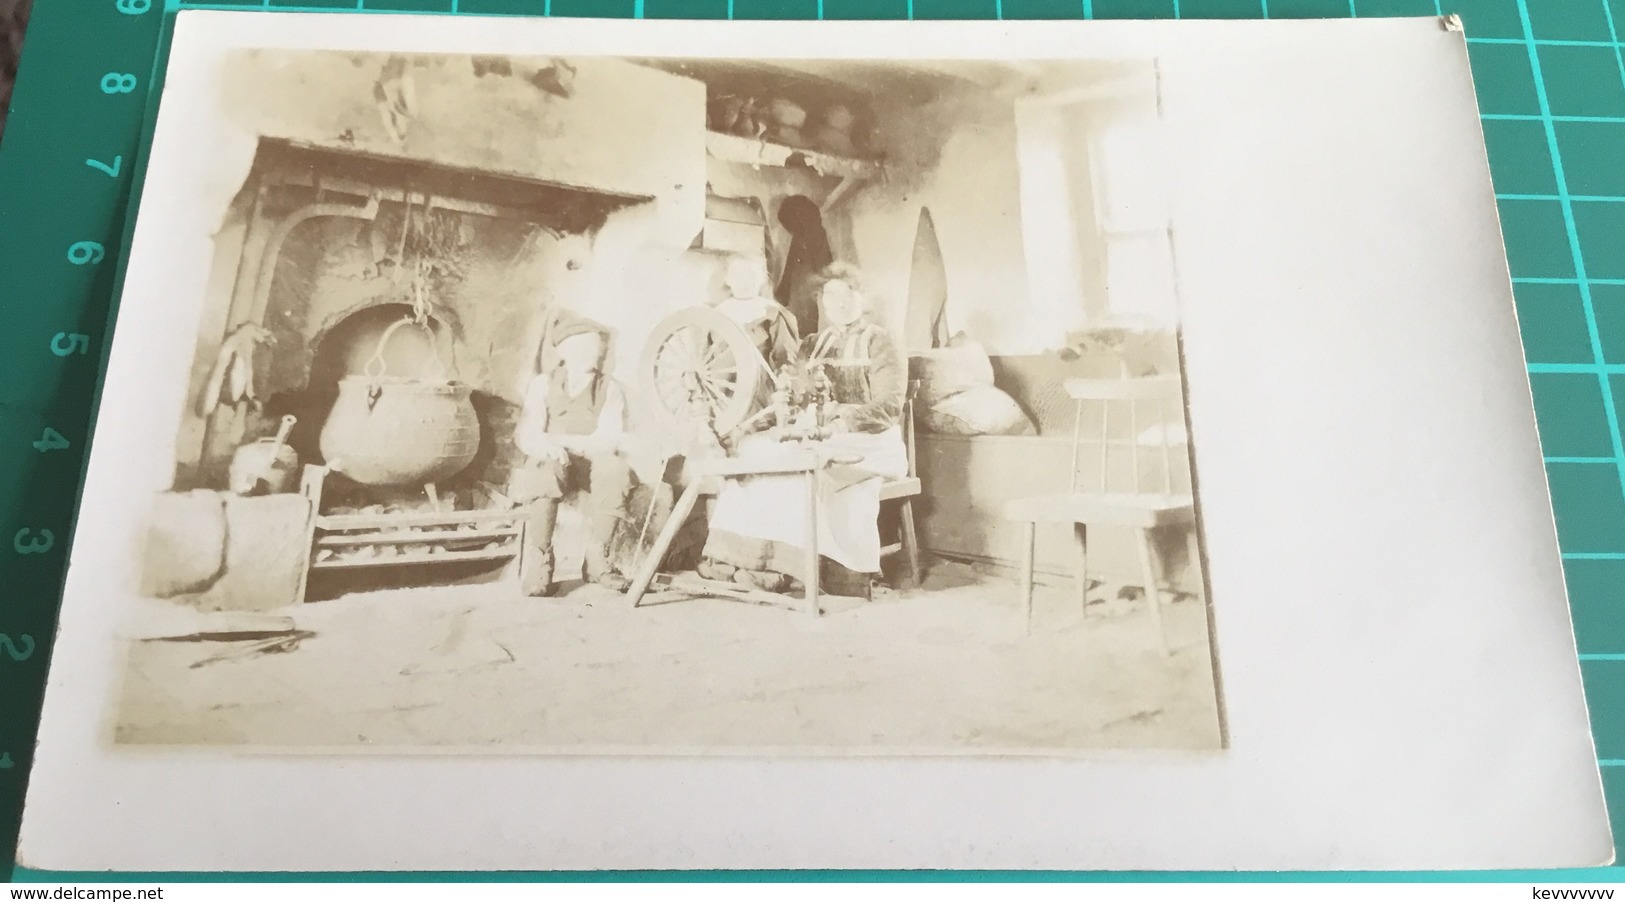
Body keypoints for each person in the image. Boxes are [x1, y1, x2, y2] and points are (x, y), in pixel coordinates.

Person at [697, 263, 909, 594]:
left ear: (861, 298)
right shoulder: (811, 345)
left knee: (801, 476)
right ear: (821, 301)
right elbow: (789, 398)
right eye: (831, 295)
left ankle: (784, 570)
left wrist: (839, 422)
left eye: (847, 295)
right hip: (820, 437)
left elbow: (889, 406)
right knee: (760, 461)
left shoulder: (881, 341)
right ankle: (735, 561)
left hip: (871, 443)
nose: (839, 303)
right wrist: (748, 428)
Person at [510, 317, 635, 596]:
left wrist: (561, 441)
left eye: (595, 348)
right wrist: (547, 446)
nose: (592, 354)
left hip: (588, 463)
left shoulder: (609, 388)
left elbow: (607, 438)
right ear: (564, 351)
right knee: (546, 469)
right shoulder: (544, 384)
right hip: (554, 462)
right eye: (582, 347)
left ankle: (597, 559)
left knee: (615, 469)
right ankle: (540, 561)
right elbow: (528, 433)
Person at [713, 254, 800, 372]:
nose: (746, 282)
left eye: (751, 275)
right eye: (739, 276)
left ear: (763, 278)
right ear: (727, 279)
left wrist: (784, 370)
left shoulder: (770, 311)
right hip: (728, 378)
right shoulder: (720, 312)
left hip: (763, 375)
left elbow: (785, 347)